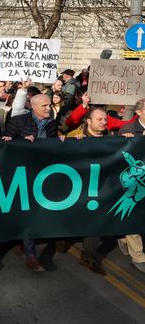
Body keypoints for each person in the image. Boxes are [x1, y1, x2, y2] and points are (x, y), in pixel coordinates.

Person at [3, 94, 59, 272]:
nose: (49, 108)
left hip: (42, 174)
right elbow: (5, 143)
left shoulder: (51, 123)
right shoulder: (18, 121)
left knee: (32, 213)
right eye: (45, 106)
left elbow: (53, 145)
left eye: (49, 105)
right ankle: (30, 254)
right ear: (33, 107)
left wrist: (65, 142)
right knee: (25, 212)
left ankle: (25, 245)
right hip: (20, 174)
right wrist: (22, 142)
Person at [63, 106, 108, 275]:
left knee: (95, 220)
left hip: (97, 188)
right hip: (75, 186)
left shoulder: (111, 138)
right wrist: (70, 143)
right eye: (99, 119)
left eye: (105, 119)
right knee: (71, 216)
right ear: (88, 121)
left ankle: (88, 256)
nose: (104, 122)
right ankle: (64, 237)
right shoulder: (75, 136)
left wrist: (129, 140)